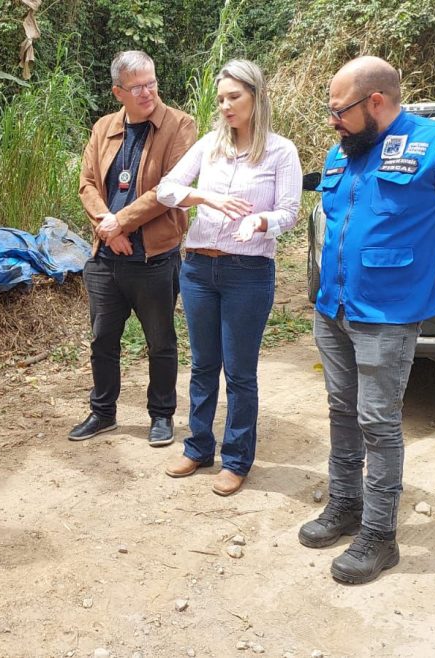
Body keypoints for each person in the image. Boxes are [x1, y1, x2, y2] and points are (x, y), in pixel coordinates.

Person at [299, 56, 435, 584]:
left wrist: (428, 290)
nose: (332, 120)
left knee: (378, 423)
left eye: (339, 110)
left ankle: (380, 536)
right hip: (333, 307)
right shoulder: (347, 149)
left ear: (374, 102)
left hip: (387, 314)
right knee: (342, 410)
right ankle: (346, 504)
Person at [154, 59, 301, 496]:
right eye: (220, 99)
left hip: (247, 272)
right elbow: (166, 189)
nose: (225, 106)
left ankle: (237, 459)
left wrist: (259, 223)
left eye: (234, 97)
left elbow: (290, 213)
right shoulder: (208, 146)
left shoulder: (281, 151)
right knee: (202, 365)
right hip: (198, 268)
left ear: (257, 96)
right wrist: (206, 196)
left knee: (239, 372)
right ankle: (198, 446)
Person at [69, 50, 197, 446]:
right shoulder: (103, 127)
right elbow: (87, 184)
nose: (148, 93)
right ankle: (102, 412)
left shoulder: (179, 125)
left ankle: (162, 415)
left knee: (160, 341)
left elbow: (170, 190)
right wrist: (109, 230)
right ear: (118, 91)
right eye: (137, 86)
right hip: (106, 259)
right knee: (102, 339)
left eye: (152, 83)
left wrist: (121, 222)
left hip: (154, 257)